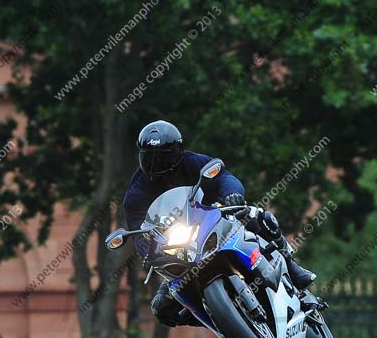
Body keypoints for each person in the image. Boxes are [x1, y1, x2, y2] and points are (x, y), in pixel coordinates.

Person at [123, 120, 316, 327]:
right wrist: (149, 255)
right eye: (149, 158)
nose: (156, 164)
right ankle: (218, 319)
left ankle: (291, 266)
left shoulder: (194, 162)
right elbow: (140, 234)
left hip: (216, 221)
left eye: (163, 157)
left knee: (258, 217)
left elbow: (225, 177)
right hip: (177, 251)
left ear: (178, 151)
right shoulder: (135, 195)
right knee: (161, 308)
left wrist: (232, 194)